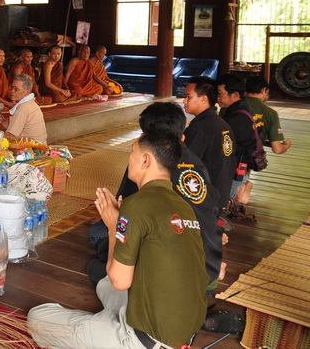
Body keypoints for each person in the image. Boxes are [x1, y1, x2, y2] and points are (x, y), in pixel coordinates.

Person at [28, 131, 207, 349]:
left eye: (132, 152)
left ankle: (104, 330)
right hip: (183, 331)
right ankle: (103, 324)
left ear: (145, 160)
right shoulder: (183, 205)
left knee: (37, 317)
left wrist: (114, 226)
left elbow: (120, 281)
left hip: (142, 340)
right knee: (105, 285)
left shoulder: (137, 203)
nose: (129, 158)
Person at [91, 102, 222, 295]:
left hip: (172, 286)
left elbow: (127, 216)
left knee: (97, 238)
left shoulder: (147, 168)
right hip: (208, 270)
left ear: (146, 141)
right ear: (182, 136)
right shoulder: (197, 164)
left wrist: (112, 225)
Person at [184, 76, 237, 214]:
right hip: (221, 194)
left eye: (188, 96)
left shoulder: (201, 128)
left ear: (204, 99)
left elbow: (186, 163)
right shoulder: (221, 124)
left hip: (205, 199)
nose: (184, 101)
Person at [217, 73, 258, 211]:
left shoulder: (238, 117)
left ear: (235, 95)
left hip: (238, 164)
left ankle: (243, 190)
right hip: (243, 162)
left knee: (227, 204)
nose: (217, 98)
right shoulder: (240, 109)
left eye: (220, 94)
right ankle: (244, 189)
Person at [0, 74, 47, 144]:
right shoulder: (31, 103)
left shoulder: (23, 108)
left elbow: (10, 135)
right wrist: (4, 121)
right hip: (39, 146)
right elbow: (19, 129)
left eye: (16, 89)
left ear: (27, 91)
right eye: (12, 87)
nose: (12, 91)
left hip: (31, 148)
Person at [245, 76, 291, 154]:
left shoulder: (230, 106)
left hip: (227, 154)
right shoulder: (271, 113)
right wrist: (287, 145)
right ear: (264, 90)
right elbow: (277, 149)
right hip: (250, 157)